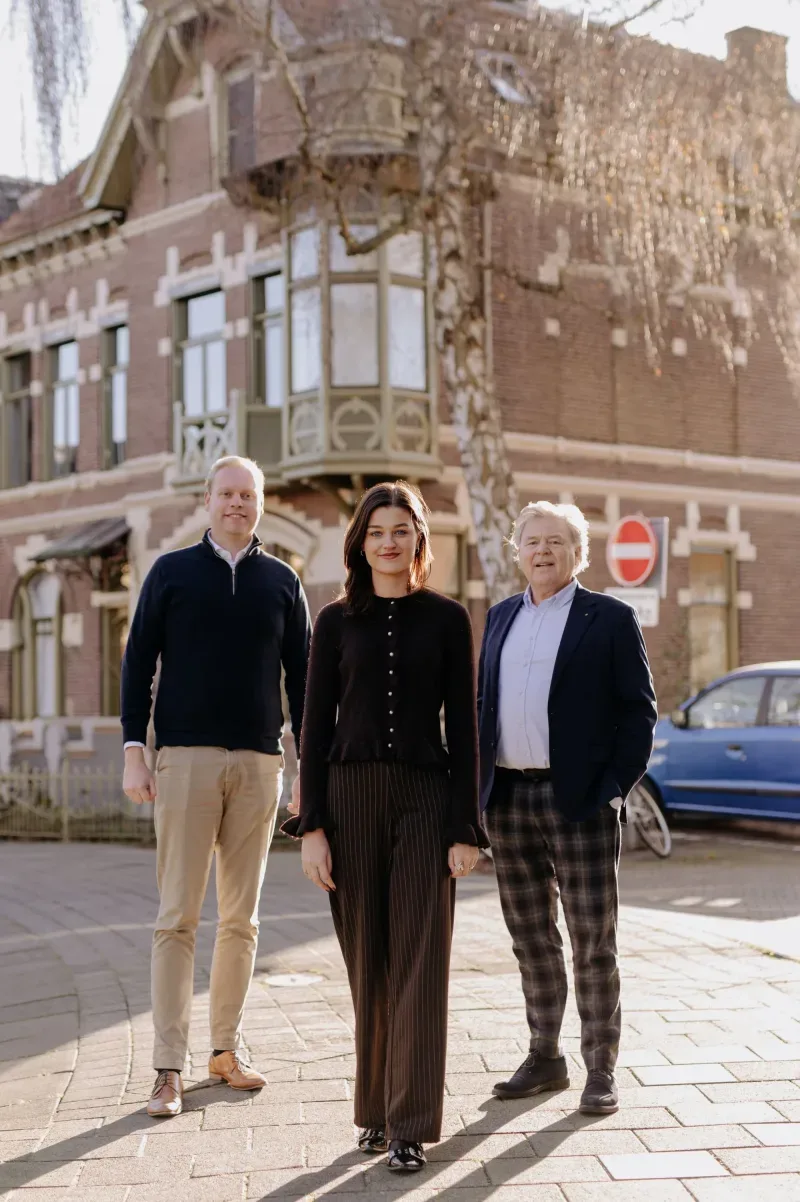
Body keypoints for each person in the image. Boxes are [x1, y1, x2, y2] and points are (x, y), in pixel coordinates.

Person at [283, 482, 485, 1172]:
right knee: (367, 958)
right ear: (360, 544)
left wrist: (467, 829)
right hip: (350, 799)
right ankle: (373, 1110)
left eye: (402, 530)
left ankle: (408, 1124)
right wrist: (312, 826)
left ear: (418, 541)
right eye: (377, 532)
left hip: (427, 800)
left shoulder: (449, 619)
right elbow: (313, 727)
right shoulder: (334, 623)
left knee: (421, 958)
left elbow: (465, 728)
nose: (390, 542)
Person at [122, 455, 311, 1118]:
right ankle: (167, 1069)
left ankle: (225, 1050)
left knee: (242, 919)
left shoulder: (283, 582)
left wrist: (304, 769)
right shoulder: (171, 573)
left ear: (259, 504)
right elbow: (137, 662)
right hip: (184, 762)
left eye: (248, 495)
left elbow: (304, 682)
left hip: (260, 764)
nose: (237, 504)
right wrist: (133, 754)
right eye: (227, 493)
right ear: (208, 500)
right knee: (177, 916)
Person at [477, 501, 657, 1115]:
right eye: (532, 541)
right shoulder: (499, 617)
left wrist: (611, 788)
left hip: (578, 800)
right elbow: (484, 707)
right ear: (517, 550)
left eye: (557, 541)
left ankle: (600, 1066)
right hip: (507, 798)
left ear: (577, 553)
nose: (544, 550)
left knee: (591, 938)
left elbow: (639, 712)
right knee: (530, 938)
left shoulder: (609, 617)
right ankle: (545, 1055)